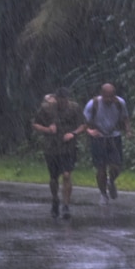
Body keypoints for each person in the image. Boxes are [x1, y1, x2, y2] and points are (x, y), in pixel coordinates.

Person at [31, 89, 85, 220]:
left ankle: (66, 205)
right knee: (54, 178)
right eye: (60, 99)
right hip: (52, 148)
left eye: (65, 99)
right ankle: (55, 199)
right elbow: (35, 124)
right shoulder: (47, 109)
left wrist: (73, 134)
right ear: (56, 99)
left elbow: (83, 125)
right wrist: (47, 129)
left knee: (67, 175)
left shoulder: (74, 108)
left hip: (68, 147)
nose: (62, 102)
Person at [83, 83, 129, 203]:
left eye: (111, 96)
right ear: (101, 94)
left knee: (117, 166)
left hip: (114, 136)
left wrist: (128, 130)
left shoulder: (120, 103)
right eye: (106, 96)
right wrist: (89, 131)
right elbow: (83, 122)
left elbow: (125, 117)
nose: (109, 99)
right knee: (101, 168)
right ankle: (103, 193)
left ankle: (111, 180)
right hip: (99, 138)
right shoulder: (93, 104)